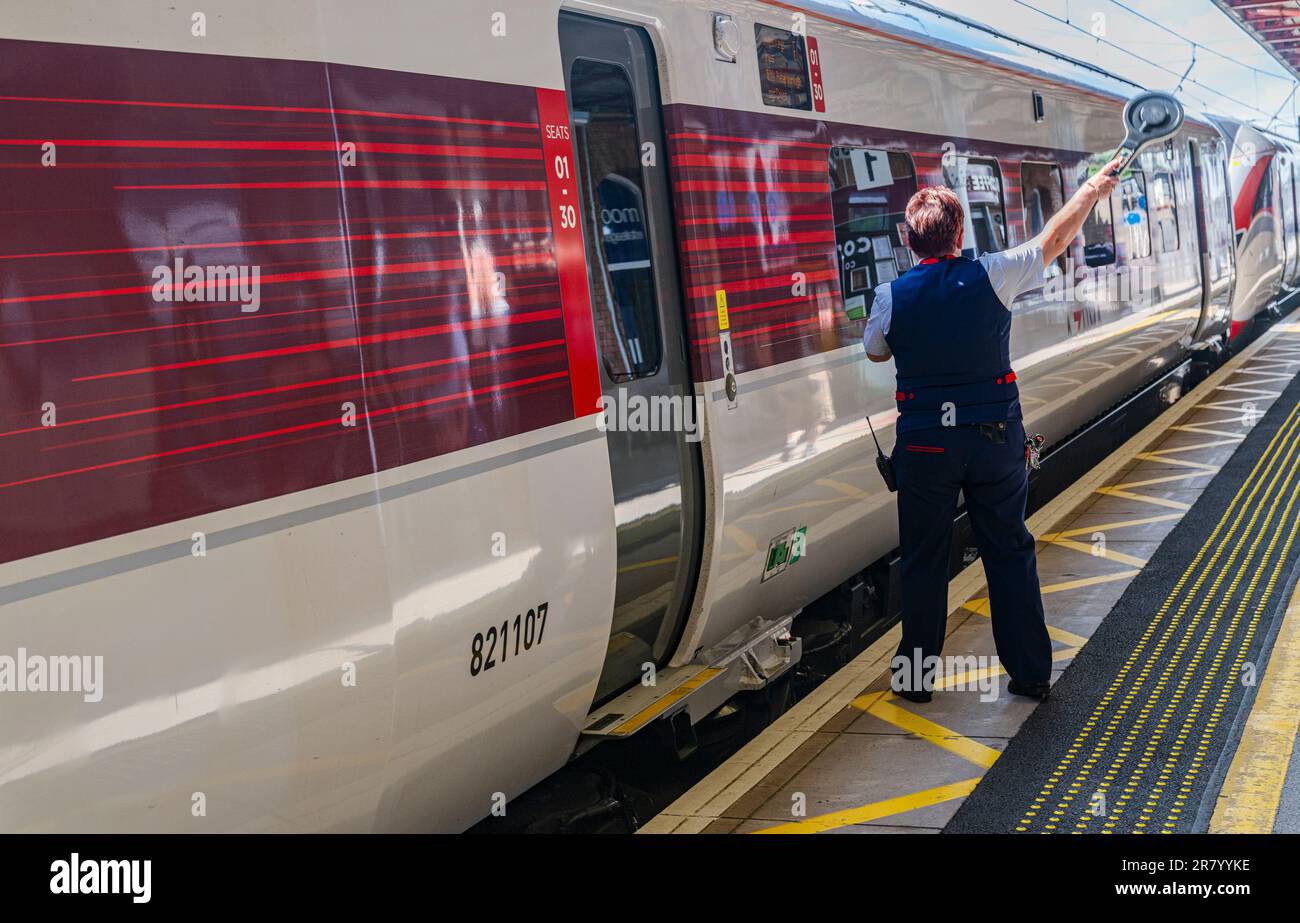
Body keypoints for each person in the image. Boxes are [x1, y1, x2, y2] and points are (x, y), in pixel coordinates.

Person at [865, 155, 1125, 703]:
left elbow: (875, 352)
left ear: (908, 241)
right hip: (993, 440)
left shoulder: (890, 297)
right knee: (1008, 550)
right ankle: (1030, 673)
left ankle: (916, 682)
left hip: (926, 446)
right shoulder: (993, 273)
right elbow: (1054, 239)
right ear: (960, 233)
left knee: (923, 559)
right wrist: (1093, 189)